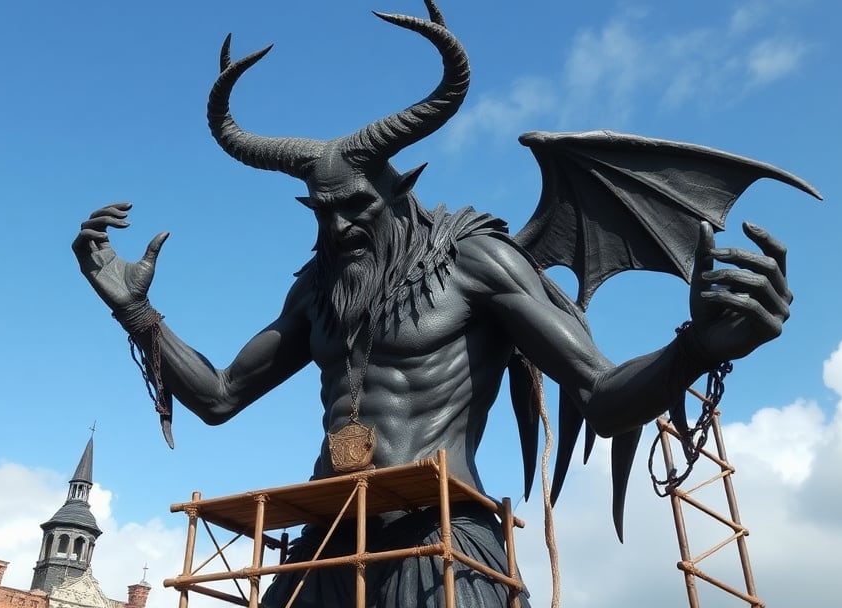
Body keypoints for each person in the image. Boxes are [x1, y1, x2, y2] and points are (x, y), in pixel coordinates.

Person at [72, 3, 794, 606]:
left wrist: (696, 348)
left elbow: (601, 397)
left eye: (353, 208)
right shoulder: (318, 287)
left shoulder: (474, 260)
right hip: (326, 539)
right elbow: (223, 396)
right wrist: (137, 313)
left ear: (395, 192)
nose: (337, 228)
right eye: (319, 213)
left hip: (438, 538)